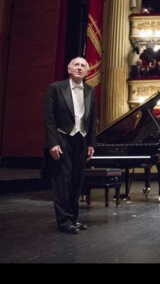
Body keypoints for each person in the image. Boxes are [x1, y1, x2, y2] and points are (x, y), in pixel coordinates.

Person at [42, 57, 97, 234]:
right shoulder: (56, 88)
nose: (79, 68)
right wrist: (53, 143)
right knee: (62, 182)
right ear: (69, 69)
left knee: (76, 181)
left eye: (83, 66)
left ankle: (73, 219)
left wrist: (91, 143)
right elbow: (49, 118)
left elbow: (92, 121)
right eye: (76, 65)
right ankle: (64, 222)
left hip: (81, 139)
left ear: (87, 72)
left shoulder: (90, 91)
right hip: (62, 138)